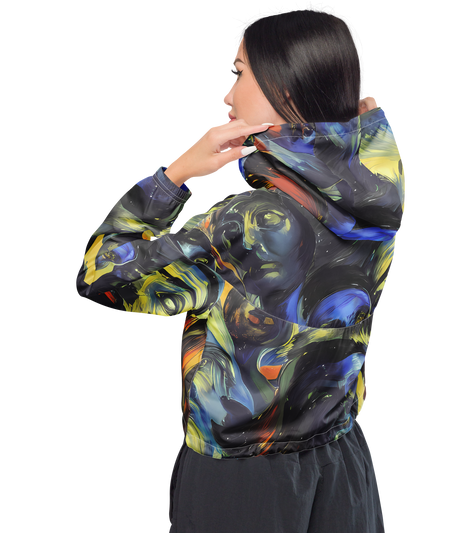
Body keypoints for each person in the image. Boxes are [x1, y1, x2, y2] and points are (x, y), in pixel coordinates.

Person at [73, 1, 407, 531]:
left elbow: (99, 276)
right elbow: (366, 117)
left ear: (286, 86)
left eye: (238, 73)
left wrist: (174, 174)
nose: (226, 95)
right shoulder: (383, 187)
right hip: (343, 459)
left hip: (244, 480)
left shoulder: (249, 221)